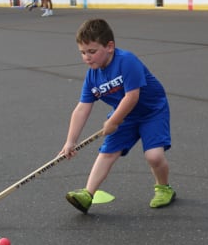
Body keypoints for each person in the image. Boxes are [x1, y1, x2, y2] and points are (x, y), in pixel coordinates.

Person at [60, 18, 176, 214]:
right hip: (125, 116)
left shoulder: (126, 61)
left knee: (154, 156)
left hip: (151, 111)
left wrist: (113, 121)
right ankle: (88, 194)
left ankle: (164, 188)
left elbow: (132, 96)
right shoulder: (92, 76)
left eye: (92, 51)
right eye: (82, 52)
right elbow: (82, 108)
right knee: (107, 153)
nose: (87, 58)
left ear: (110, 46)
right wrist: (70, 141)